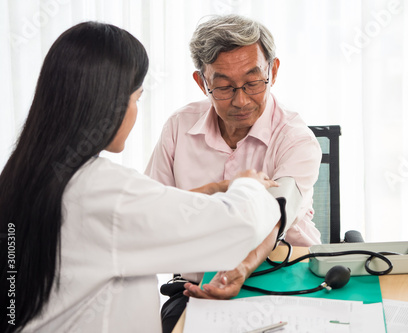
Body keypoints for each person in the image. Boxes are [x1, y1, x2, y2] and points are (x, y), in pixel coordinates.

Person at [0, 22, 281, 333]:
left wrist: (211, 189)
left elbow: (154, 209)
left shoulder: (26, 174)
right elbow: (236, 229)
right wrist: (249, 185)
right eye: (136, 98)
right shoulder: (105, 192)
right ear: (107, 104)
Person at [145, 14, 322, 331]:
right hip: (197, 287)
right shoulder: (178, 127)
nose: (241, 100)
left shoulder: (296, 138)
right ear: (203, 83)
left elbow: (278, 212)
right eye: (224, 87)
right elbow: (151, 212)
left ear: (273, 71)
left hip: (288, 277)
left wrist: (241, 269)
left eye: (253, 83)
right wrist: (216, 189)